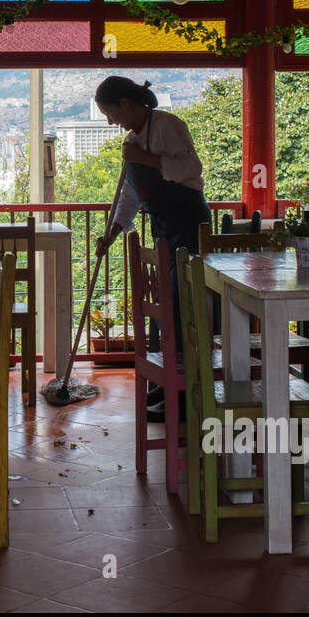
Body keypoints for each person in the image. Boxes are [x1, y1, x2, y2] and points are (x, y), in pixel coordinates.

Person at [92, 76, 210, 422]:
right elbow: (130, 195)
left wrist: (146, 157)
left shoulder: (169, 126)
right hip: (162, 230)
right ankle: (163, 383)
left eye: (110, 113)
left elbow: (192, 168)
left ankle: (187, 390)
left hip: (188, 224)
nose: (111, 121)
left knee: (180, 307)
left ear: (127, 103)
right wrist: (113, 231)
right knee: (161, 306)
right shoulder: (132, 141)